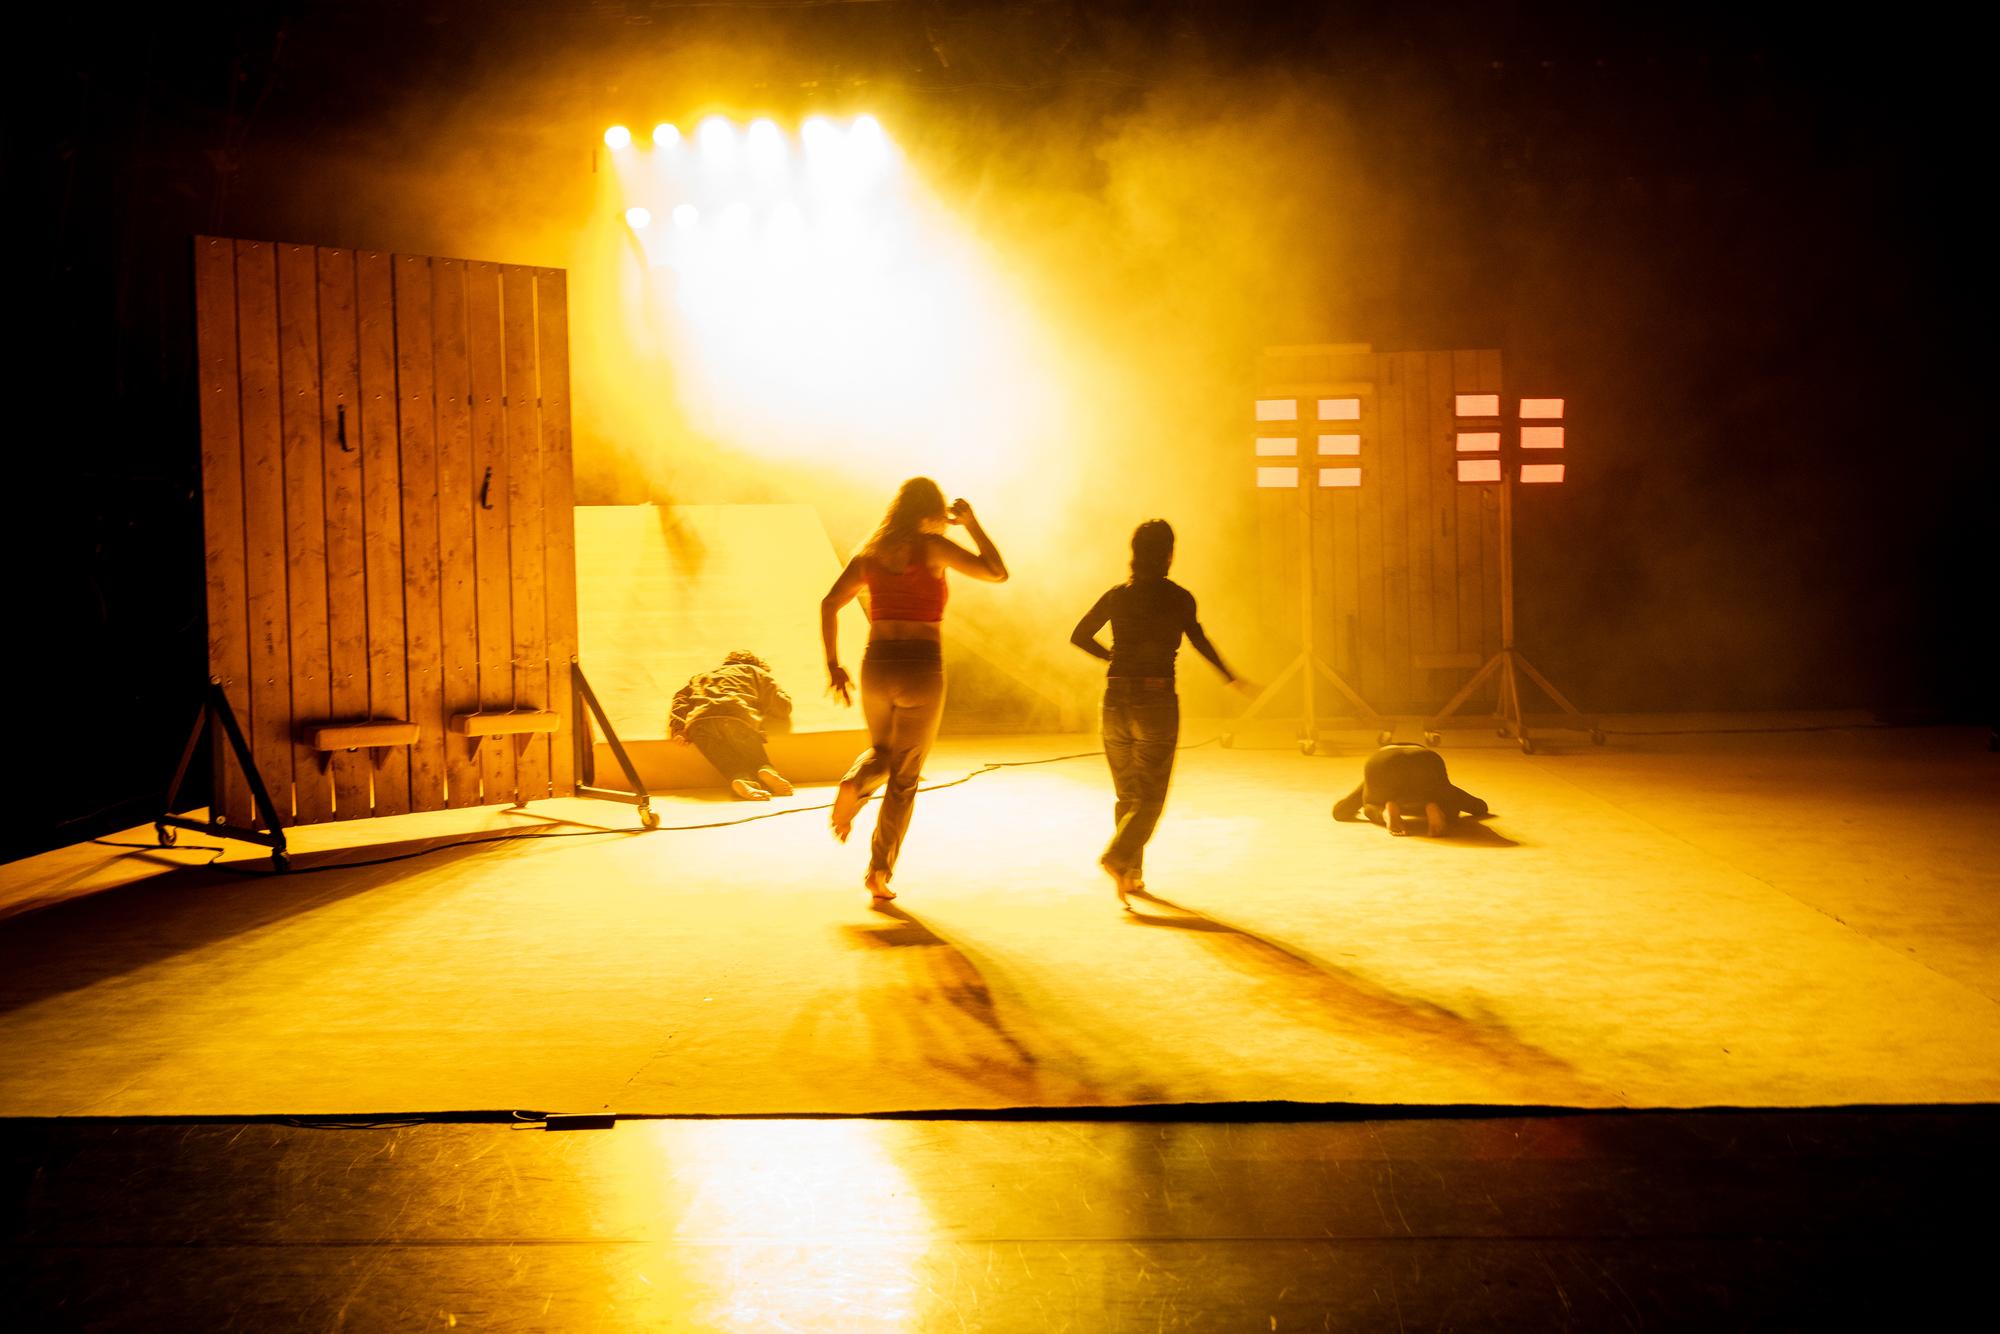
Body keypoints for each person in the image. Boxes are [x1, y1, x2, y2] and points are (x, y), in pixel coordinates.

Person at [821, 478, 1008, 901]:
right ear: (932, 511)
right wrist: (971, 524)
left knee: (881, 752)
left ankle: (855, 782)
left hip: (876, 664)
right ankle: (878, 871)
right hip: (921, 667)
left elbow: (829, 603)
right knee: (904, 777)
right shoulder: (933, 548)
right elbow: (997, 572)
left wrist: (834, 665)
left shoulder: (869, 553)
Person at [1070, 519, 1253, 908]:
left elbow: (1079, 635)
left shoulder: (1116, 596)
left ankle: (1130, 875)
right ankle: (1118, 857)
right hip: (1155, 699)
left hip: (1115, 698)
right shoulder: (1179, 598)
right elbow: (1199, 640)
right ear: (1169, 554)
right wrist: (1230, 677)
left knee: (1127, 794)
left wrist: (1112, 657)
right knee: (1150, 797)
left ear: (1134, 554)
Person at [668, 650, 795, 801]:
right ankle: (766, 770)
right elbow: (780, 704)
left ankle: (741, 779)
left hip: (699, 722)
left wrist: (678, 729)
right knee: (756, 758)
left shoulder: (701, 677)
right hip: (737, 716)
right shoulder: (755, 671)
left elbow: (680, 699)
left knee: (725, 761)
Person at [1331, 743, 1488, 836]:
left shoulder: (1382, 759)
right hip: (1425, 762)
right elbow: (1479, 807)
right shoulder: (1423, 755)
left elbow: (1340, 812)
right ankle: (1434, 808)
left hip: (1382, 764)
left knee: (1369, 806)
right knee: (1450, 804)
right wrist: (1478, 806)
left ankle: (1384, 813)